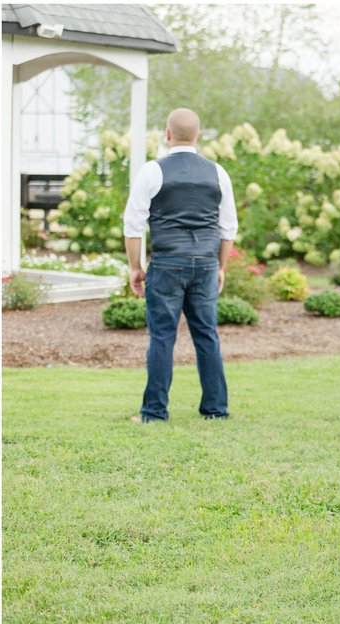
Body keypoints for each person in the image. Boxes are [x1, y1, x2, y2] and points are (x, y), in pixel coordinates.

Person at [123, 108, 238, 422]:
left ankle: (154, 411)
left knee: (162, 337)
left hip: (167, 264)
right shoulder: (218, 172)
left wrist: (135, 267)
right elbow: (228, 228)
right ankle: (215, 409)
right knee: (207, 335)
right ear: (198, 135)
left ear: (167, 134)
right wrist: (221, 267)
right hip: (205, 265)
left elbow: (133, 226)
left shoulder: (151, 171)